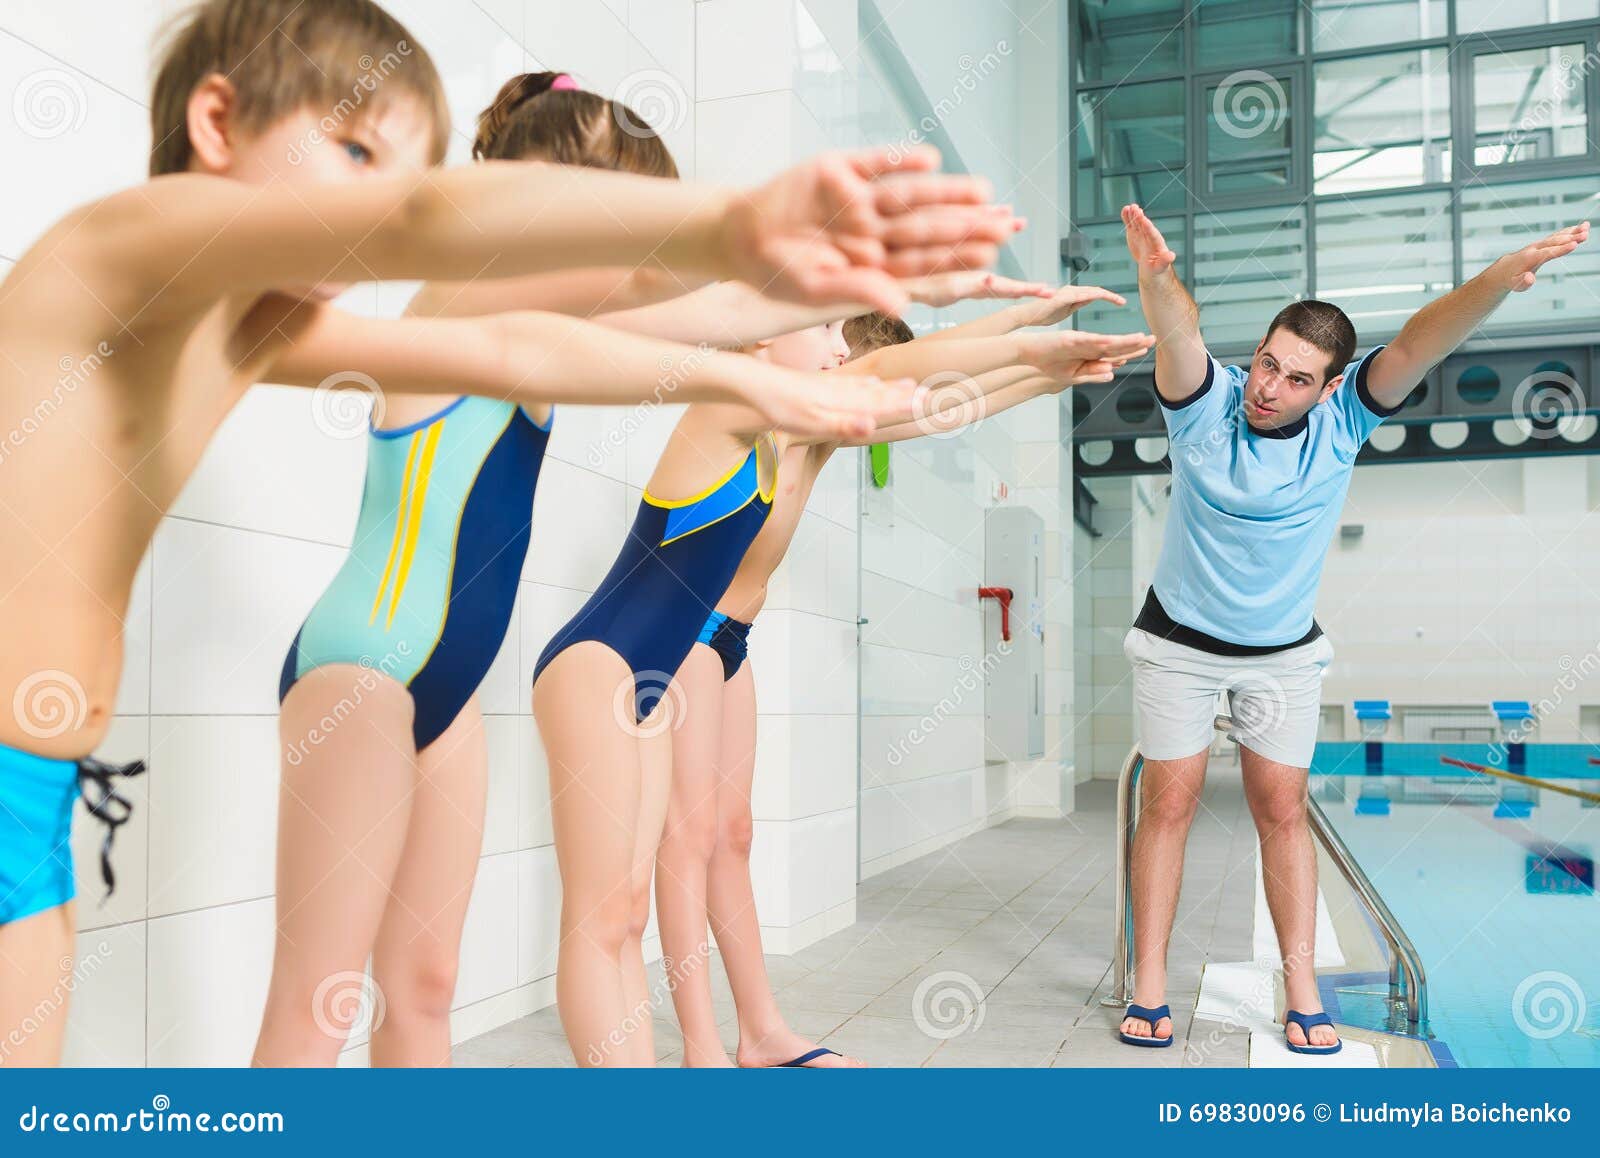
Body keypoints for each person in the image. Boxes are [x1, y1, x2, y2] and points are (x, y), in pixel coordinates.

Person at [0, 0, 1018, 1066]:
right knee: (315, 1008)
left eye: (394, 166)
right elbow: (426, 227)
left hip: (45, 776)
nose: (376, 197)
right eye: (353, 151)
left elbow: (546, 353)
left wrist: (759, 362)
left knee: (421, 987)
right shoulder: (120, 244)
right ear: (216, 123)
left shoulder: (259, 332)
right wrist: (727, 226)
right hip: (254, 697)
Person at [1115, 202, 1590, 1056]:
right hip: (1177, 642)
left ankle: (1302, 984)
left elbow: (1419, 342)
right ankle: (1149, 979)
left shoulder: (1344, 423)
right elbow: (1179, 334)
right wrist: (1158, 279)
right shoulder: (1204, 401)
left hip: (1282, 655)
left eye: (1296, 377)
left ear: (1330, 385)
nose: (1269, 388)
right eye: (1267, 364)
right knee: (1170, 799)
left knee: (1283, 809)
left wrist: (1497, 278)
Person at [654, 295, 1152, 1067]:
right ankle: (698, 1048)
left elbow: (932, 408)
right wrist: (1032, 340)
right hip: (680, 633)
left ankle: (759, 1032)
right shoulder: (774, 410)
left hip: (730, 640)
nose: (838, 366)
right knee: (688, 836)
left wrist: (1044, 382)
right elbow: (909, 382)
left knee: (735, 833)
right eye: (826, 342)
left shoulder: (820, 430)